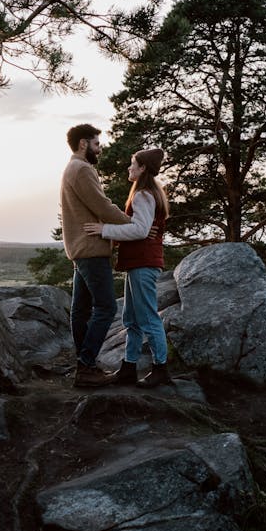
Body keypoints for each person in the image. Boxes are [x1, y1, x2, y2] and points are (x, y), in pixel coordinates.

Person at [84, 148, 172, 388]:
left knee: (148, 317)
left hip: (144, 263)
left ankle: (160, 368)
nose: (129, 168)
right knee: (131, 318)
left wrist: (105, 230)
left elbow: (140, 230)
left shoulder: (143, 194)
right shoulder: (149, 192)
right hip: (138, 263)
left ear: (142, 167)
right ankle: (128, 367)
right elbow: (142, 228)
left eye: (133, 163)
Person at [60, 124, 132, 387]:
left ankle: (85, 365)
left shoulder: (71, 168)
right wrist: (132, 225)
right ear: (83, 144)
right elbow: (101, 206)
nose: (100, 149)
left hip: (80, 250)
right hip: (91, 250)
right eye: (97, 144)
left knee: (80, 309)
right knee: (107, 307)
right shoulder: (81, 169)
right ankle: (86, 365)